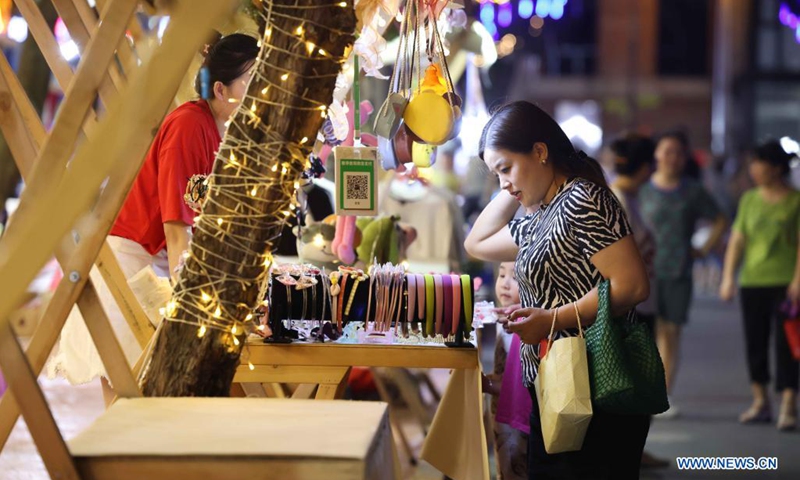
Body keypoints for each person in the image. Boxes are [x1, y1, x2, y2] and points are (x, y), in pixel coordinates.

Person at [47, 34, 259, 404]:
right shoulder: (190, 126)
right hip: (130, 266)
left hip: (153, 264)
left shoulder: (217, 130)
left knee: (145, 400)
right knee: (128, 398)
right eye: (252, 81)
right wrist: (194, 302)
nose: (261, 92)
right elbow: (177, 230)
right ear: (223, 90)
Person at [464, 101, 651, 479]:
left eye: (506, 167)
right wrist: (513, 180)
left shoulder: (582, 199)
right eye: (495, 173)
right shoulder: (542, 212)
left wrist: (551, 319)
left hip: (597, 385)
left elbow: (632, 286)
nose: (502, 182)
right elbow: (477, 243)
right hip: (556, 385)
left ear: (540, 151)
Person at [639, 131, 727, 418]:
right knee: (645, 335)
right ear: (656, 155)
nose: (672, 157)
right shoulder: (642, 189)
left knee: (670, 333)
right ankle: (642, 394)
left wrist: (703, 250)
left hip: (678, 271)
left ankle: (662, 397)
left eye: (678, 152)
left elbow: (720, 219)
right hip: (644, 273)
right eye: (667, 151)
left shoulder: (692, 191)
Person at [720, 140, 800, 431]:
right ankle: (760, 401)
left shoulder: (796, 201)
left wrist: (798, 280)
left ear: (776, 168)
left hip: (786, 283)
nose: (753, 169)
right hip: (753, 281)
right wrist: (729, 277)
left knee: (786, 344)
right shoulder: (749, 199)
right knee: (755, 341)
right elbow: (738, 240)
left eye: (759, 163)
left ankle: (789, 403)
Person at [608, 134, 670, 469]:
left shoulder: (626, 199)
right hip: (630, 308)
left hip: (640, 304)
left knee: (639, 383)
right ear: (646, 168)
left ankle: (634, 451)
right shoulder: (617, 201)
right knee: (634, 383)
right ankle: (628, 453)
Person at [485, 261, 530, 480]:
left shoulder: (524, 328)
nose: (505, 284)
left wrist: (486, 384)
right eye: (502, 275)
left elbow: (518, 387)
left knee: (514, 468)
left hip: (516, 421)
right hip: (502, 418)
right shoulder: (503, 321)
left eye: (515, 277)